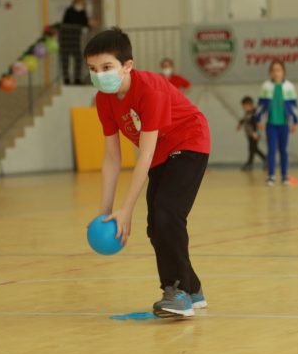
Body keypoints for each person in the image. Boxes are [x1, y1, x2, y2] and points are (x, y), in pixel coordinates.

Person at [86, 28, 211, 318]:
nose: (99, 75)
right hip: (160, 152)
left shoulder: (150, 90)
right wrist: (105, 212)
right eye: (93, 69)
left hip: (189, 141)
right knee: (156, 226)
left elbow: (144, 154)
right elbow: (112, 157)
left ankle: (177, 292)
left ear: (127, 65)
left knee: (168, 212)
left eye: (106, 67)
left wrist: (126, 209)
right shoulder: (104, 100)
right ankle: (193, 289)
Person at [256, 60, 298, 186]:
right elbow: (260, 105)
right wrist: (258, 119)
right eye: (273, 70)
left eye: (279, 70)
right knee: (272, 150)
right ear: (270, 72)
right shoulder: (265, 86)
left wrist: (295, 121)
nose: (276, 73)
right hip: (271, 124)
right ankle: (271, 176)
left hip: (284, 124)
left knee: (283, 150)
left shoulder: (289, 87)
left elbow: (294, 106)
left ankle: (285, 176)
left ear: (283, 72)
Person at [59, 0, 90, 85]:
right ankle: (66, 79)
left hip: (76, 39)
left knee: (78, 59)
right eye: (80, 3)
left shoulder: (83, 12)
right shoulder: (69, 11)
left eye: (83, 3)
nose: (82, 5)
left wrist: (87, 26)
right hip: (66, 39)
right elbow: (66, 23)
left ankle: (77, 78)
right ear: (76, 2)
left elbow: (85, 23)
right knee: (65, 59)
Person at [237, 96, 266, 171]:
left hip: (255, 134)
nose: (244, 108)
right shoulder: (247, 113)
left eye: (245, 107)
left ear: (250, 105)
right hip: (250, 134)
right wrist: (240, 124)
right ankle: (250, 163)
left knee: (253, 148)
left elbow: (255, 123)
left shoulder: (254, 113)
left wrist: (255, 132)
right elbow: (244, 119)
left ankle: (264, 160)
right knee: (252, 149)